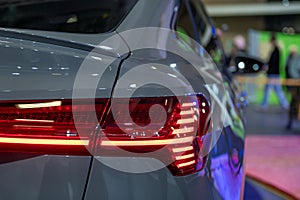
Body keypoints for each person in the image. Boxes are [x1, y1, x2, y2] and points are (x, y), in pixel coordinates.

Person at [260, 34, 289, 110]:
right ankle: (285, 104)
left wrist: (268, 68)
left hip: (273, 74)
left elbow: (273, 63)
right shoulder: (275, 51)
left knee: (269, 90)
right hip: (274, 73)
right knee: (277, 90)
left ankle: (264, 104)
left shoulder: (276, 51)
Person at [286, 53, 300, 129]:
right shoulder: (297, 59)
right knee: (294, 103)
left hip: (296, 84)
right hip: (296, 85)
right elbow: (293, 71)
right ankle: (290, 122)